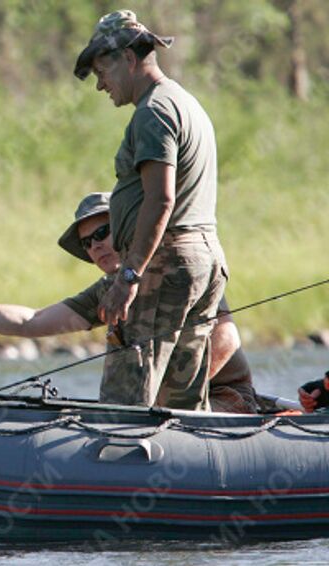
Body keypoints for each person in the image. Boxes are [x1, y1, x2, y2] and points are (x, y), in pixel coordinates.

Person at [0, 192, 258, 413]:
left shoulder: (174, 269)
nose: (95, 246)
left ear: (128, 229)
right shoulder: (109, 291)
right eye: (87, 243)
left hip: (222, 401)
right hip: (158, 414)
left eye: (103, 233)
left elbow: (226, 340)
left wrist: (165, 399)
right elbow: (32, 321)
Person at [71, 10, 228, 410]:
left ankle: (114, 467)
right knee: (182, 405)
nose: (99, 85)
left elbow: (161, 199)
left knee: (124, 404)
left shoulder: (153, 112)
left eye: (100, 70)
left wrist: (129, 274)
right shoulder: (185, 102)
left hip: (164, 265)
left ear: (128, 57)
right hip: (203, 261)